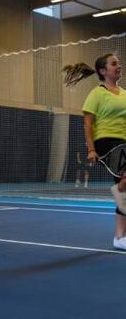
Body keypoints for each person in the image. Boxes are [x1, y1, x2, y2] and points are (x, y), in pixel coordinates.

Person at [63, 55, 126, 250]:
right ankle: (119, 235)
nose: (119, 66)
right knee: (124, 185)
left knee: (124, 188)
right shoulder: (96, 94)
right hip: (106, 142)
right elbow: (88, 124)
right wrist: (91, 149)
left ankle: (120, 236)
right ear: (102, 71)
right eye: (114, 64)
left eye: (119, 63)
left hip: (124, 141)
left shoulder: (124, 93)